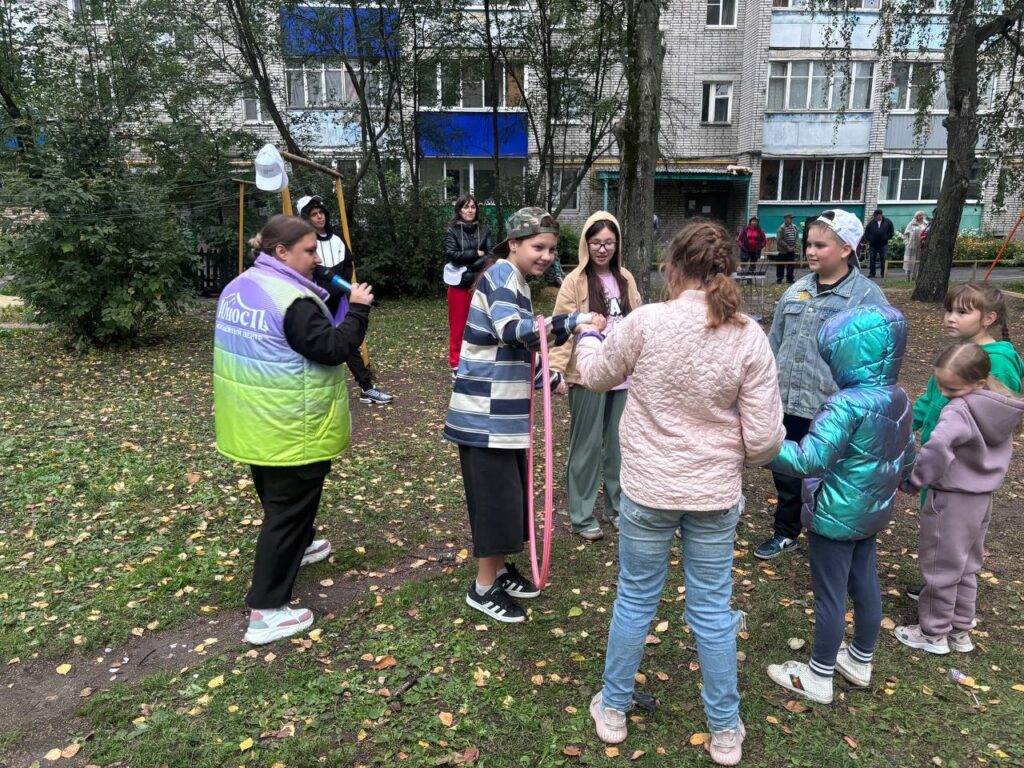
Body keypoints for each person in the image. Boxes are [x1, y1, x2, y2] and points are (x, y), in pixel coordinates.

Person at [575, 219, 785, 766]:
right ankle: (725, 729)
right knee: (712, 609)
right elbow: (766, 439)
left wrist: (589, 334)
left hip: (649, 490)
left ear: (672, 266)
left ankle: (614, 708)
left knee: (636, 598)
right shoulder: (748, 336)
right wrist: (731, 455)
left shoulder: (646, 322)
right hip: (713, 495)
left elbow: (594, 375)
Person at [213, 215, 375, 644]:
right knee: (286, 512)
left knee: (278, 496)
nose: (317, 257)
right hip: (289, 425)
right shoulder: (293, 302)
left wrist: (324, 285)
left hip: (251, 420)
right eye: (309, 250)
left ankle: (301, 545)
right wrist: (358, 308)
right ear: (281, 252)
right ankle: (266, 610)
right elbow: (333, 348)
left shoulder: (241, 287)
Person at [443, 207, 600, 624]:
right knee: (495, 503)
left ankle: (498, 570)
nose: (546, 256)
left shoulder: (516, 282)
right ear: (513, 244)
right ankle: (482, 587)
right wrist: (574, 321)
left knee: (509, 499)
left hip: (507, 416)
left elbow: (520, 349)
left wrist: (549, 377)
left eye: (551, 249)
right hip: (484, 418)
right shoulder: (500, 277)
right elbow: (513, 331)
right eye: (538, 247)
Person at [766, 304, 916, 703]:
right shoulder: (898, 397)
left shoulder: (845, 405)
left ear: (849, 355)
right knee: (865, 582)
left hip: (834, 514)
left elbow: (809, 460)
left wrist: (763, 448)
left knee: (830, 594)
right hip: (872, 512)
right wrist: (904, 480)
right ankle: (860, 659)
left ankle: (818, 675)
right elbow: (907, 453)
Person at [755, 210, 888, 560]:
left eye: (820, 245)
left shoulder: (866, 297)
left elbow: (878, 354)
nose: (811, 251)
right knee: (787, 470)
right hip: (789, 399)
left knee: (829, 473)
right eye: (809, 244)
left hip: (832, 406)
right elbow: (774, 342)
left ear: (846, 249)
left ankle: (828, 534)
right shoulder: (797, 290)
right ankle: (786, 531)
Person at [896, 343, 1024, 655]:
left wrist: (914, 480)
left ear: (977, 382)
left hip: (951, 500)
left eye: (951, 388)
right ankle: (960, 629)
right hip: (981, 499)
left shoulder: (959, 410)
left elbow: (937, 449)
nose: (944, 393)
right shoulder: (999, 407)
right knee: (967, 564)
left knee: (940, 564)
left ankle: (933, 633)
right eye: (941, 385)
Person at [904, 281, 1023, 601]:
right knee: (940, 533)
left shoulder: (998, 363)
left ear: (989, 318)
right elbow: (929, 401)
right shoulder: (959, 355)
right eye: (949, 311)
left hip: (960, 473)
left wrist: (961, 453)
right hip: (940, 464)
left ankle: (943, 599)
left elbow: (996, 420)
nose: (950, 318)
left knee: (952, 537)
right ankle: (943, 587)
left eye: (962, 312)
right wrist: (904, 428)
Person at [548, 212, 642, 541]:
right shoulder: (575, 281)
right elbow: (562, 329)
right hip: (588, 375)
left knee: (619, 446)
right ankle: (582, 515)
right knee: (586, 447)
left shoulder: (626, 278)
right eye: (596, 243)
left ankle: (616, 509)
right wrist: (556, 370)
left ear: (617, 245)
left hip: (623, 377)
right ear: (586, 244)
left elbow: (638, 324)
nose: (602, 249)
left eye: (609, 243)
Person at [296, 195, 394, 406]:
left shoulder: (337, 239)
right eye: (314, 214)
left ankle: (367, 387)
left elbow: (348, 264)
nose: (319, 217)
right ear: (306, 218)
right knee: (316, 343)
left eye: (321, 212)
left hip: (338, 299)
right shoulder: (303, 243)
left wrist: (342, 289)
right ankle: (313, 391)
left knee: (347, 343)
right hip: (317, 301)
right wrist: (323, 291)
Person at [444, 194, 493, 378]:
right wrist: (476, 253)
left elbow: (490, 255)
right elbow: (452, 255)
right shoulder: (452, 231)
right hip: (459, 285)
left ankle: (477, 359)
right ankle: (456, 363)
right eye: (466, 207)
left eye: (473, 207)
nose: (470, 210)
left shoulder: (484, 230)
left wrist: (471, 264)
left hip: (479, 282)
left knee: (481, 323)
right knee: (458, 325)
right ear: (459, 210)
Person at [864, 208, 895, 278]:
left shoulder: (888, 222)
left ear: (880, 215)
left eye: (876, 216)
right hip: (873, 245)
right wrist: (870, 239)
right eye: (874, 216)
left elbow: (891, 231)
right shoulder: (871, 223)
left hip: (883, 244)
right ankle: (872, 273)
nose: (874, 217)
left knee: (884, 259)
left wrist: (887, 237)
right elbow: (867, 233)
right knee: (872, 259)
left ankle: (883, 274)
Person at [775, 213, 799, 284]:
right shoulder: (781, 228)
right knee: (780, 265)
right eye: (790, 218)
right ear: (786, 219)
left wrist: (794, 246)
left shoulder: (794, 226)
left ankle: (790, 279)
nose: (791, 220)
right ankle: (779, 279)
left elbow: (797, 237)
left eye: (792, 218)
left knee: (791, 265)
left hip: (792, 249)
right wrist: (787, 247)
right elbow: (779, 240)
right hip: (783, 251)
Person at [902, 211, 927, 279]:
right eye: (919, 215)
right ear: (916, 216)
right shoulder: (911, 224)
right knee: (909, 262)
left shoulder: (925, 224)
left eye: (922, 215)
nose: (921, 216)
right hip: (911, 246)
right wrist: (907, 243)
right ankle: (908, 277)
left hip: (921, 246)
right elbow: (905, 235)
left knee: (918, 261)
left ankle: (916, 277)